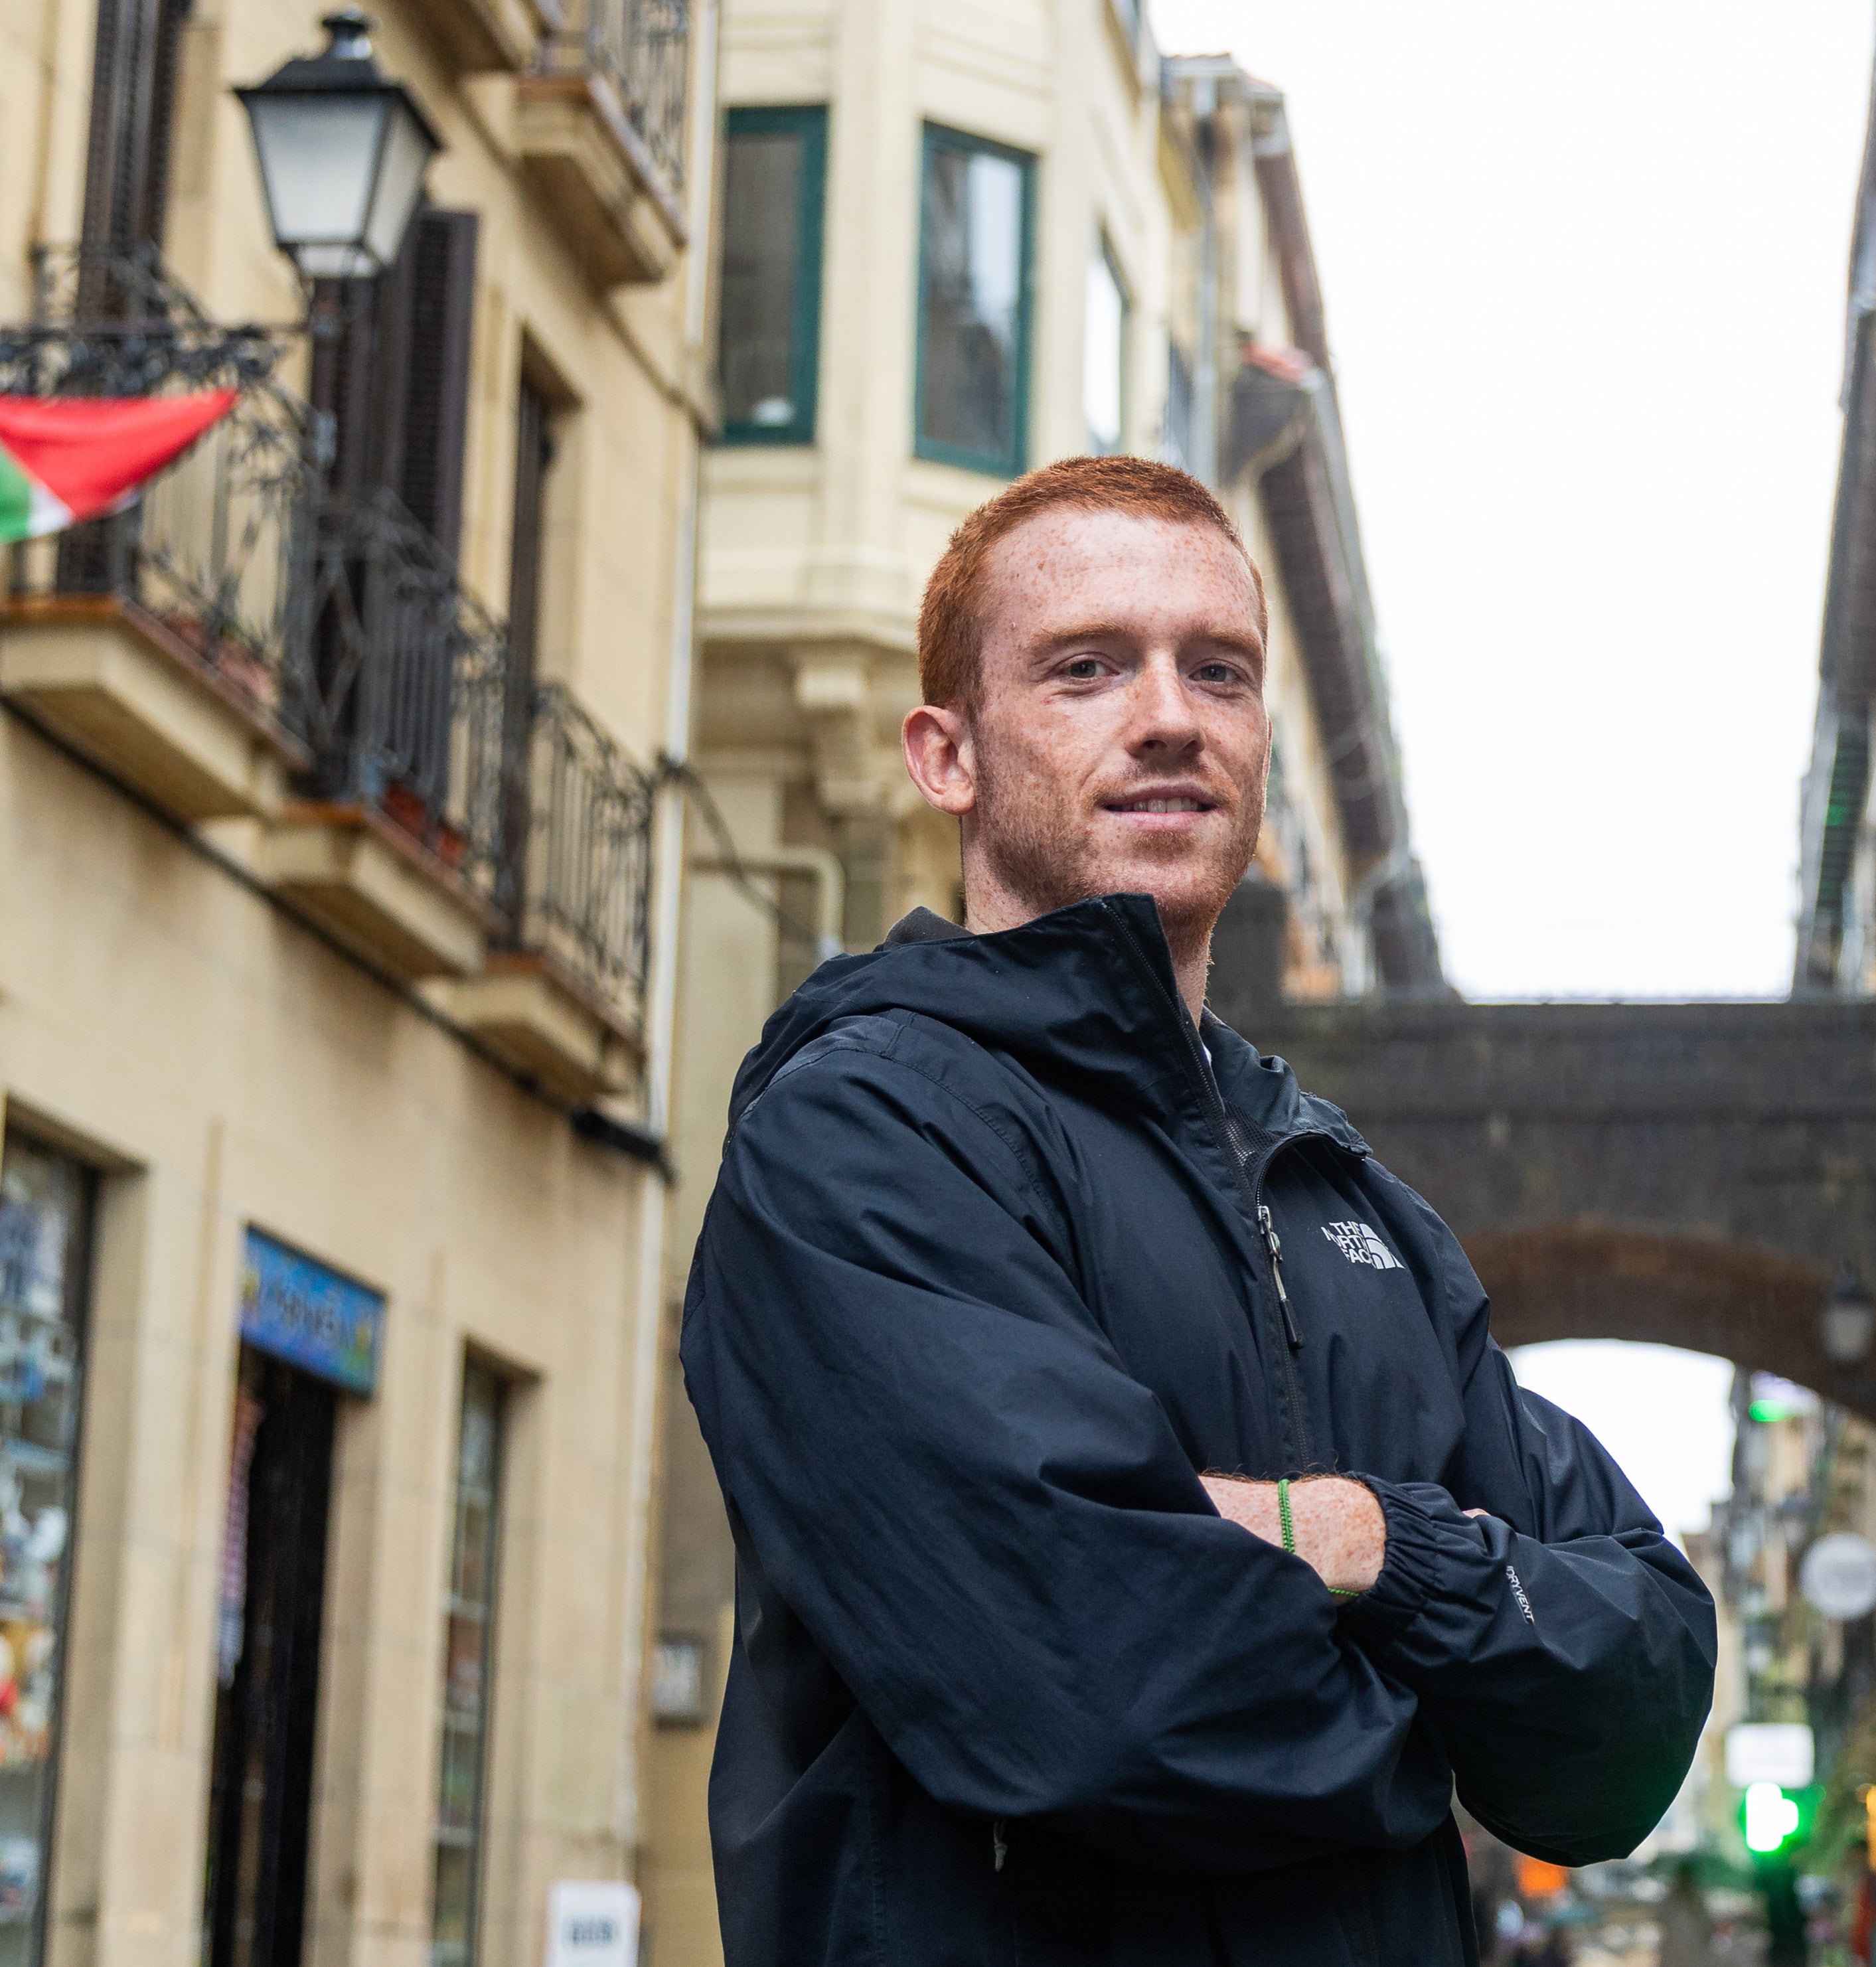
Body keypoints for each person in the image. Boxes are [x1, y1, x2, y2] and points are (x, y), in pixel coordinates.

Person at [680, 456, 1717, 1966]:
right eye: (1086, 668)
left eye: (1217, 670)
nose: (1168, 714)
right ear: (945, 755)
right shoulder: (865, 1132)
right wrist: (1450, 1721)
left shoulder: (1348, 1202)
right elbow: (1100, 1689)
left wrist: (1370, 1540)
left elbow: (1636, 1705)